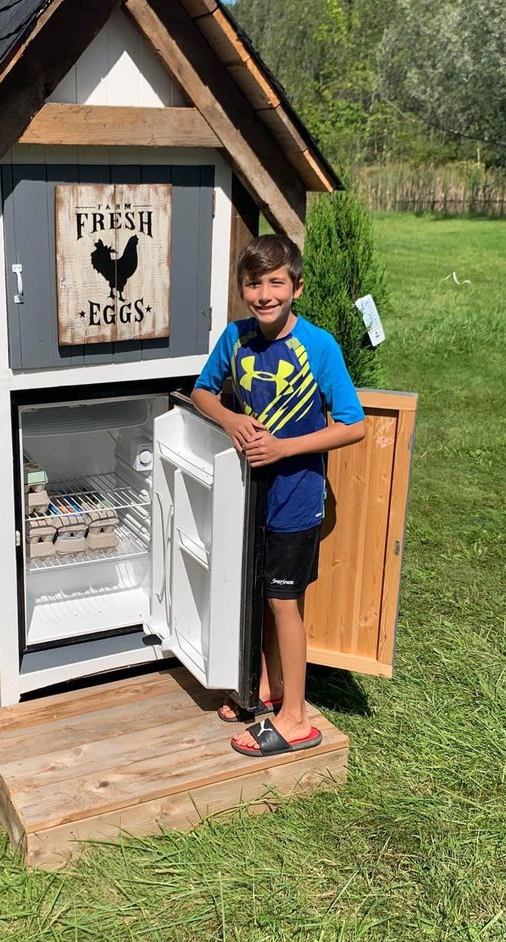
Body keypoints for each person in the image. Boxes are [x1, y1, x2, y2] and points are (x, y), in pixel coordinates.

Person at [191, 234, 366, 758]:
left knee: (284, 602)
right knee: (261, 596)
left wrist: (285, 447)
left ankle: (295, 715)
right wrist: (229, 417)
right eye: (253, 283)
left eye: (275, 282)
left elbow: (353, 425)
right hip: (249, 498)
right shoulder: (236, 338)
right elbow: (203, 390)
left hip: (297, 495)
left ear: (296, 287)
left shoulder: (318, 346)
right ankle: (266, 689)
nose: (264, 294)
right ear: (242, 289)